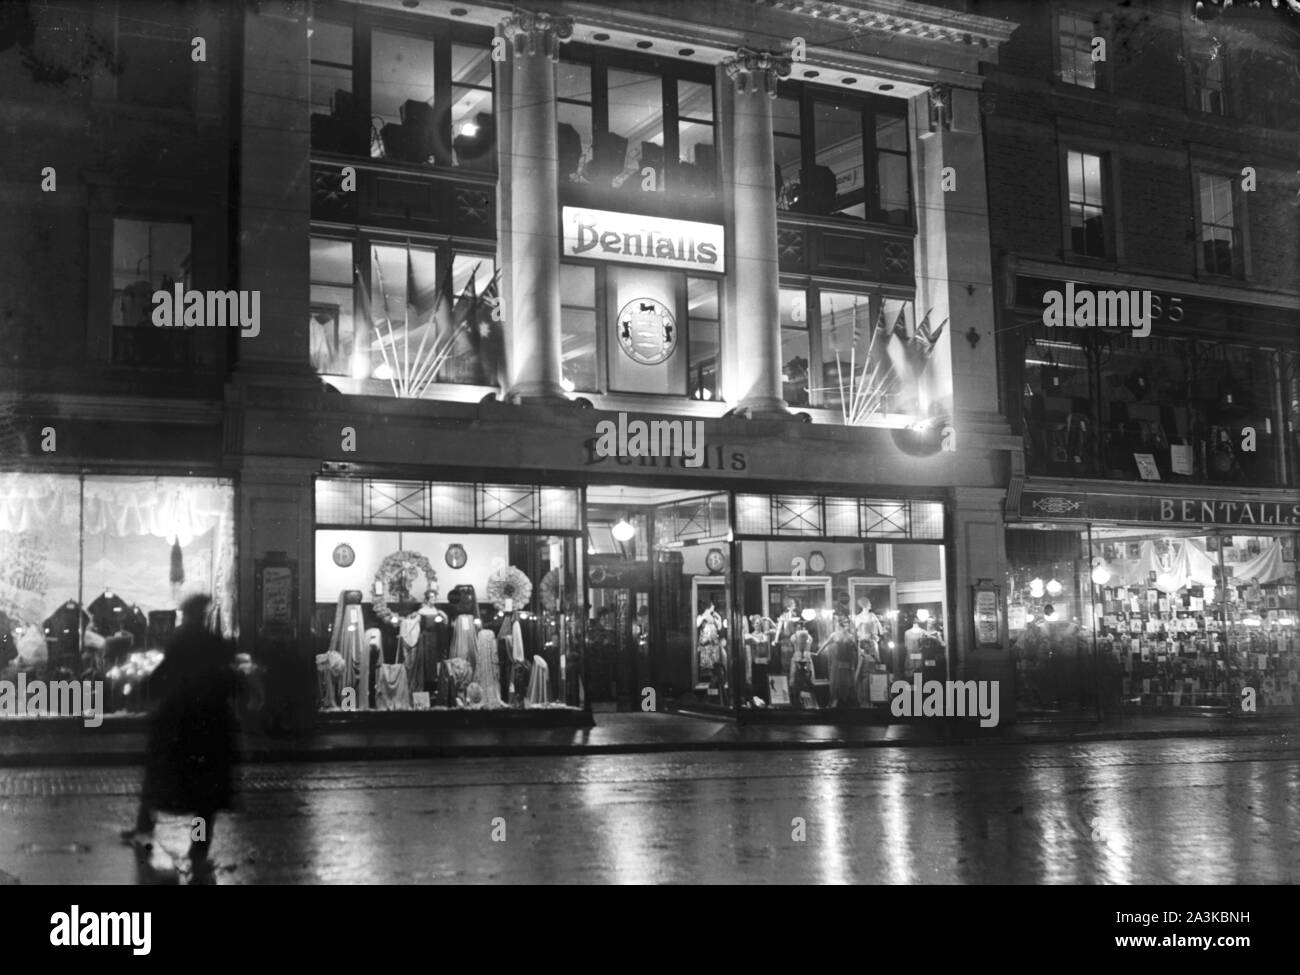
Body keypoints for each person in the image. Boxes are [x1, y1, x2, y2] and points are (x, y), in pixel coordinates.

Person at [121, 594, 238, 876]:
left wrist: (141, 691)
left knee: (158, 776)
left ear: (188, 615)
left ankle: (144, 826)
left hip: (180, 725)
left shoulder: (182, 641)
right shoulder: (213, 643)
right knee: (204, 801)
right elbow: (228, 678)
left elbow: (163, 673)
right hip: (210, 728)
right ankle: (198, 849)